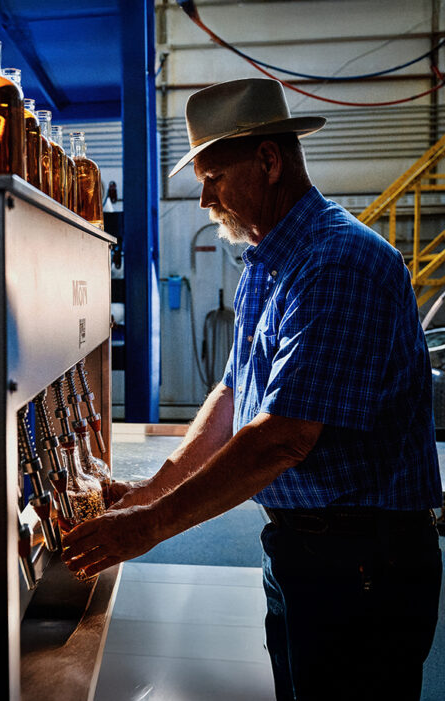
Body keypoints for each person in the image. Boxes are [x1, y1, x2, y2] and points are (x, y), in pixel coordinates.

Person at [61, 78, 443, 700]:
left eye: (214, 176)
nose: (204, 197)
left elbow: (283, 438)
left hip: (363, 562)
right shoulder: (269, 263)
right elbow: (235, 392)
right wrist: (153, 488)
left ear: (268, 161)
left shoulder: (337, 262)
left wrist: (151, 525)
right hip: (302, 547)